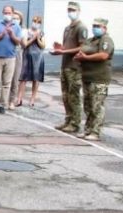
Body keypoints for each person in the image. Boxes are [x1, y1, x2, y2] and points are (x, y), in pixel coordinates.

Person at [74, 18, 114, 141]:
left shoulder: (106, 40)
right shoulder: (91, 40)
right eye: (94, 26)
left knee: (97, 105)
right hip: (87, 76)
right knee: (88, 105)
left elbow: (103, 55)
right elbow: (81, 50)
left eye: (98, 26)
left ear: (104, 28)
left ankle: (95, 131)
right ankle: (88, 129)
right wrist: (80, 56)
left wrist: (86, 57)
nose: (95, 28)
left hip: (99, 78)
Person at [50, 1, 87, 133]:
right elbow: (69, 46)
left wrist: (64, 51)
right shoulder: (68, 28)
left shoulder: (81, 27)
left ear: (78, 11)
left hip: (74, 67)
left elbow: (83, 47)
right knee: (65, 95)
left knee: (73, 96)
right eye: (69, 9)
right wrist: (60, 49)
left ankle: (75, 122)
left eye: (73, 10)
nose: (70, 12)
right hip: (65, 65)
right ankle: (68, 119)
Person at [0, 5, 21, 114]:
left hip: (10, 58)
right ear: (2, 13)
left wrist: (11, 34)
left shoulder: (16, 27)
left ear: (12, 13)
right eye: (5, 12)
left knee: (6, 83)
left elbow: (18, 42)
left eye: (9, 12)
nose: (7, 14)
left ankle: (2, 105)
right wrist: (2, 34)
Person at [16, 15, 45, 107]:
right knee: (23, 78)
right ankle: (19, 99)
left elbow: (43, 45)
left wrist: (37, 38)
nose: (35, 23)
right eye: (34, 21)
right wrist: (33, 38)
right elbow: (24, 44)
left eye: (38, 22)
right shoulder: (25, 31)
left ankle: (32, 99)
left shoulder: (41, 33)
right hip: (27, 56)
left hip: (38, 58)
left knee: (36, 79)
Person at [7, 10, 26, 109]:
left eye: (17, 18)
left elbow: (24, 44)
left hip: (17, 54)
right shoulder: (7, 27)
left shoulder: (23, 30)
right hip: (7, 54)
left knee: (15, 79)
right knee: (6, 79)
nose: (15, 20)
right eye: (13, 18)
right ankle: (4, 100)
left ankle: (12, 100)